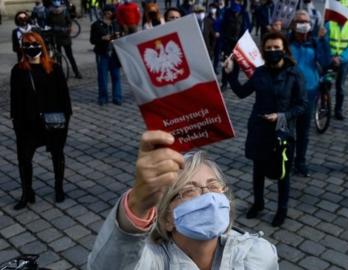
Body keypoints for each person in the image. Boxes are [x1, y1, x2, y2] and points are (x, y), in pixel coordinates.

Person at [87, 132, 279, 269]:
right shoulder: (153, 263)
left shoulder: (260, 256)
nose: (208, 196)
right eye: (188, 190)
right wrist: (138, 204)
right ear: (167, 218)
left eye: (213, 186)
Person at [224, 32, 308, 226]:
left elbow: (302, 105)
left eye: (276, 48)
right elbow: (242, 92)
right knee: (258, 169)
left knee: (283, 172)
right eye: (268, 48)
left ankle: (282, 209)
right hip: (259, 128)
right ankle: (258, 203)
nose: (272, 51)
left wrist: (282, 116)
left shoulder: (295, 74)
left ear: (284, 50)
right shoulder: (260, 72)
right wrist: (230, 73)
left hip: (282, 128)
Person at [10, 32, 72, 210]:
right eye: (27, 45)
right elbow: (15, 99)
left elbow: (64, 98)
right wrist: (16, 123)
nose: (31, 48)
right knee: (24, 159)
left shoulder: (54, 68)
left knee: (57, 154)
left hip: (53, 122)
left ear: (41, 45)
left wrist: (65, 120)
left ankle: (59, 187)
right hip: (28, 123)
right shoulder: (18, 70)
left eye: (34, 44)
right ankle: (27, 192)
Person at [289, 10, 330, 177]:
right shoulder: (286, 42)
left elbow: (326, 62)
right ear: (292, 24)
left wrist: (323, 40)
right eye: (299, 21)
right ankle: (287, 160)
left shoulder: (314, 42)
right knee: (287, 131)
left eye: (305, 21)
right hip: (288, 94)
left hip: (309, 93)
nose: (302, 23)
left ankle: (301, 162)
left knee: (303, 132)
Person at [325, 15, 348, 120]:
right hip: (330, 61)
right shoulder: (329, 24)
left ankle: (338, 110)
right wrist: (331, 57)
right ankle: (324, 107)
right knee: (327, 84)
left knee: (340, 87)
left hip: (343, 62)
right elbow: (325, 42)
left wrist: (341, 58)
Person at [90, 4, 123, 106]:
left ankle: (117, 97)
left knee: (116, 76)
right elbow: (92, 40)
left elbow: (122, 37)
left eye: (112, 12)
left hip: (114, 54)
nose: (110, 14)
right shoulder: (96, 25)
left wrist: (119, 36)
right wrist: (102, 38)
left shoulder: (116, 24)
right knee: (103, 77)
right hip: (102, 54)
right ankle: (103, 97)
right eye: (108, 11)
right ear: (104, 12)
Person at [219, 0, 251, 90]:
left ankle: (234, 82)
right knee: (226, 62)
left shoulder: (244, 13)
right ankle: (224, 83)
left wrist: (245, 38)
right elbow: (223, 27)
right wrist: (224, 40)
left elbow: (249, 26)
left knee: (237, 64)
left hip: (239, 43)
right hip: (228, 42)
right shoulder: (227, 12)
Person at [47, 0, 83, 79]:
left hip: (65, 37)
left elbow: (69, 22)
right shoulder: (50, 12)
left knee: (70, 56)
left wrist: (68, 29)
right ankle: (60, 74)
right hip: (56, 37)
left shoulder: (64, 11)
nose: (56, 9)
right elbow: (48, 24)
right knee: (58, 57)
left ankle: (76, 72)